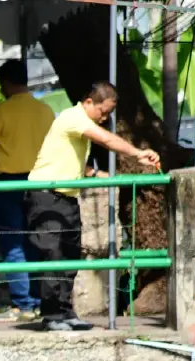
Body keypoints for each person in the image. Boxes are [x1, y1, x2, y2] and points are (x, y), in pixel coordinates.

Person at [26, 81, 160, 331]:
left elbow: (74, 163)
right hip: (46, 196)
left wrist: (103, 176)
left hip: (66, 196)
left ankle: (66, 312)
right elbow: (106, 140)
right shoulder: (73, 118)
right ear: (89, 102)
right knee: (53, 255)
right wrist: (137, 154)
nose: (105, 117)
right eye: (103, 111)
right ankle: (52, 316)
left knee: (70, 255)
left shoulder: (79, 124)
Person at [0, 60, 55, 323]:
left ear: (6, 83)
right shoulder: (45, 110)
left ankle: (22, 304)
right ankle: (37, 302)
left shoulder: (2, 110)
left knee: (13, 243)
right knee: (35, 241)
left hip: (9, 183)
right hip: (39, 182)